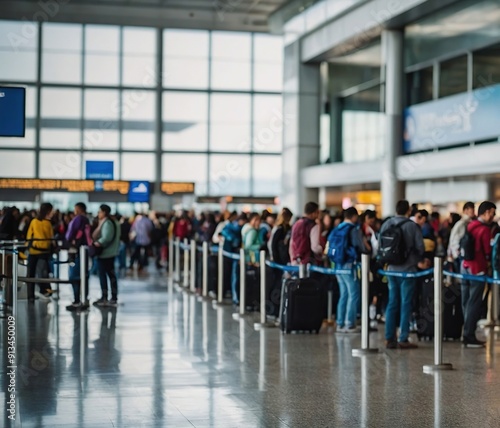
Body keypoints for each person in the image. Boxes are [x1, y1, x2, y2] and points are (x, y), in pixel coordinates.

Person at [379, 200, 426, 349]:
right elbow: (420, 247)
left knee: (392, 302)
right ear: (408, 211)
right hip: (408, 271)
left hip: (391, 269)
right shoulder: (412, 226)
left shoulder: (387, 224)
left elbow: (380, 245)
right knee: (406, 304)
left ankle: (389, 337)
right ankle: (403, 337)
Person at [461, 201, 497, 348]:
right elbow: (487, 252)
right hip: (478, 269)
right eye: (493, 213)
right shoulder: (484, 230)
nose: (493, 216)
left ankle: (466, 332)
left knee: (467, 302)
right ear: (487, 212)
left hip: (465, 267)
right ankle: (469, 336)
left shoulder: (470, 225)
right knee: (474, 302)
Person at [330, 207, 370, 333]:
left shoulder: (338, 228)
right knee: (354, 293)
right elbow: (360, 245)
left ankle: (340, 322)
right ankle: (350, 322)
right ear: (354, 216)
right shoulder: (353, 229)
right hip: (349, 265)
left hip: (337, 265)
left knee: (344, 294)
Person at [92, 205, 121, 307]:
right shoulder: (114, 222)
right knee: (111, 275)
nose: (98, 213)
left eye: (99, 211)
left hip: (106, 253)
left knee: (104, 275)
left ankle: (105, 297)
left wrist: (97, 244)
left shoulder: (107, 223)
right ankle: (112, 297)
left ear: (104, 212)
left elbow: (106, 238)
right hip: (111, 252)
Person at [65, 202, 91, 311]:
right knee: (83, 275)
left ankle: (77, 300)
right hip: (84, 251)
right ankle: (84, 298)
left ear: (79, 209)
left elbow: (70, 235)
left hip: (76, 251)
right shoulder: (87, 219)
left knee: (74, 276)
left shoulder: (78, 219)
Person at [26, 203, 54, 301]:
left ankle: (30, 296)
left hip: (33, 251)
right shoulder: (48, 223)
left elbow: (29, 236)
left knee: (31, 274)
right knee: (43, 272)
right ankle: (45, 291)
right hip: (44, 252)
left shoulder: (34, 221)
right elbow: (51, 238)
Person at [289, 202, 323, 266]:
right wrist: (321, 250)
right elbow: (314, 247)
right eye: (317, 212)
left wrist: (293, 259)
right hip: (308, 261)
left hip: (296, 260)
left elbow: (291, 243)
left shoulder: (296, 224)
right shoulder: (313, 225)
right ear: (314, 213)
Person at [447, 202, 475, 269]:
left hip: (461, 254)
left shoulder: (468, 222)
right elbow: (454, 238)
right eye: (471, 210)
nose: (473, 212)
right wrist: (456, 252)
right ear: (465, 210)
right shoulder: (462, 223)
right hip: (460, 255)